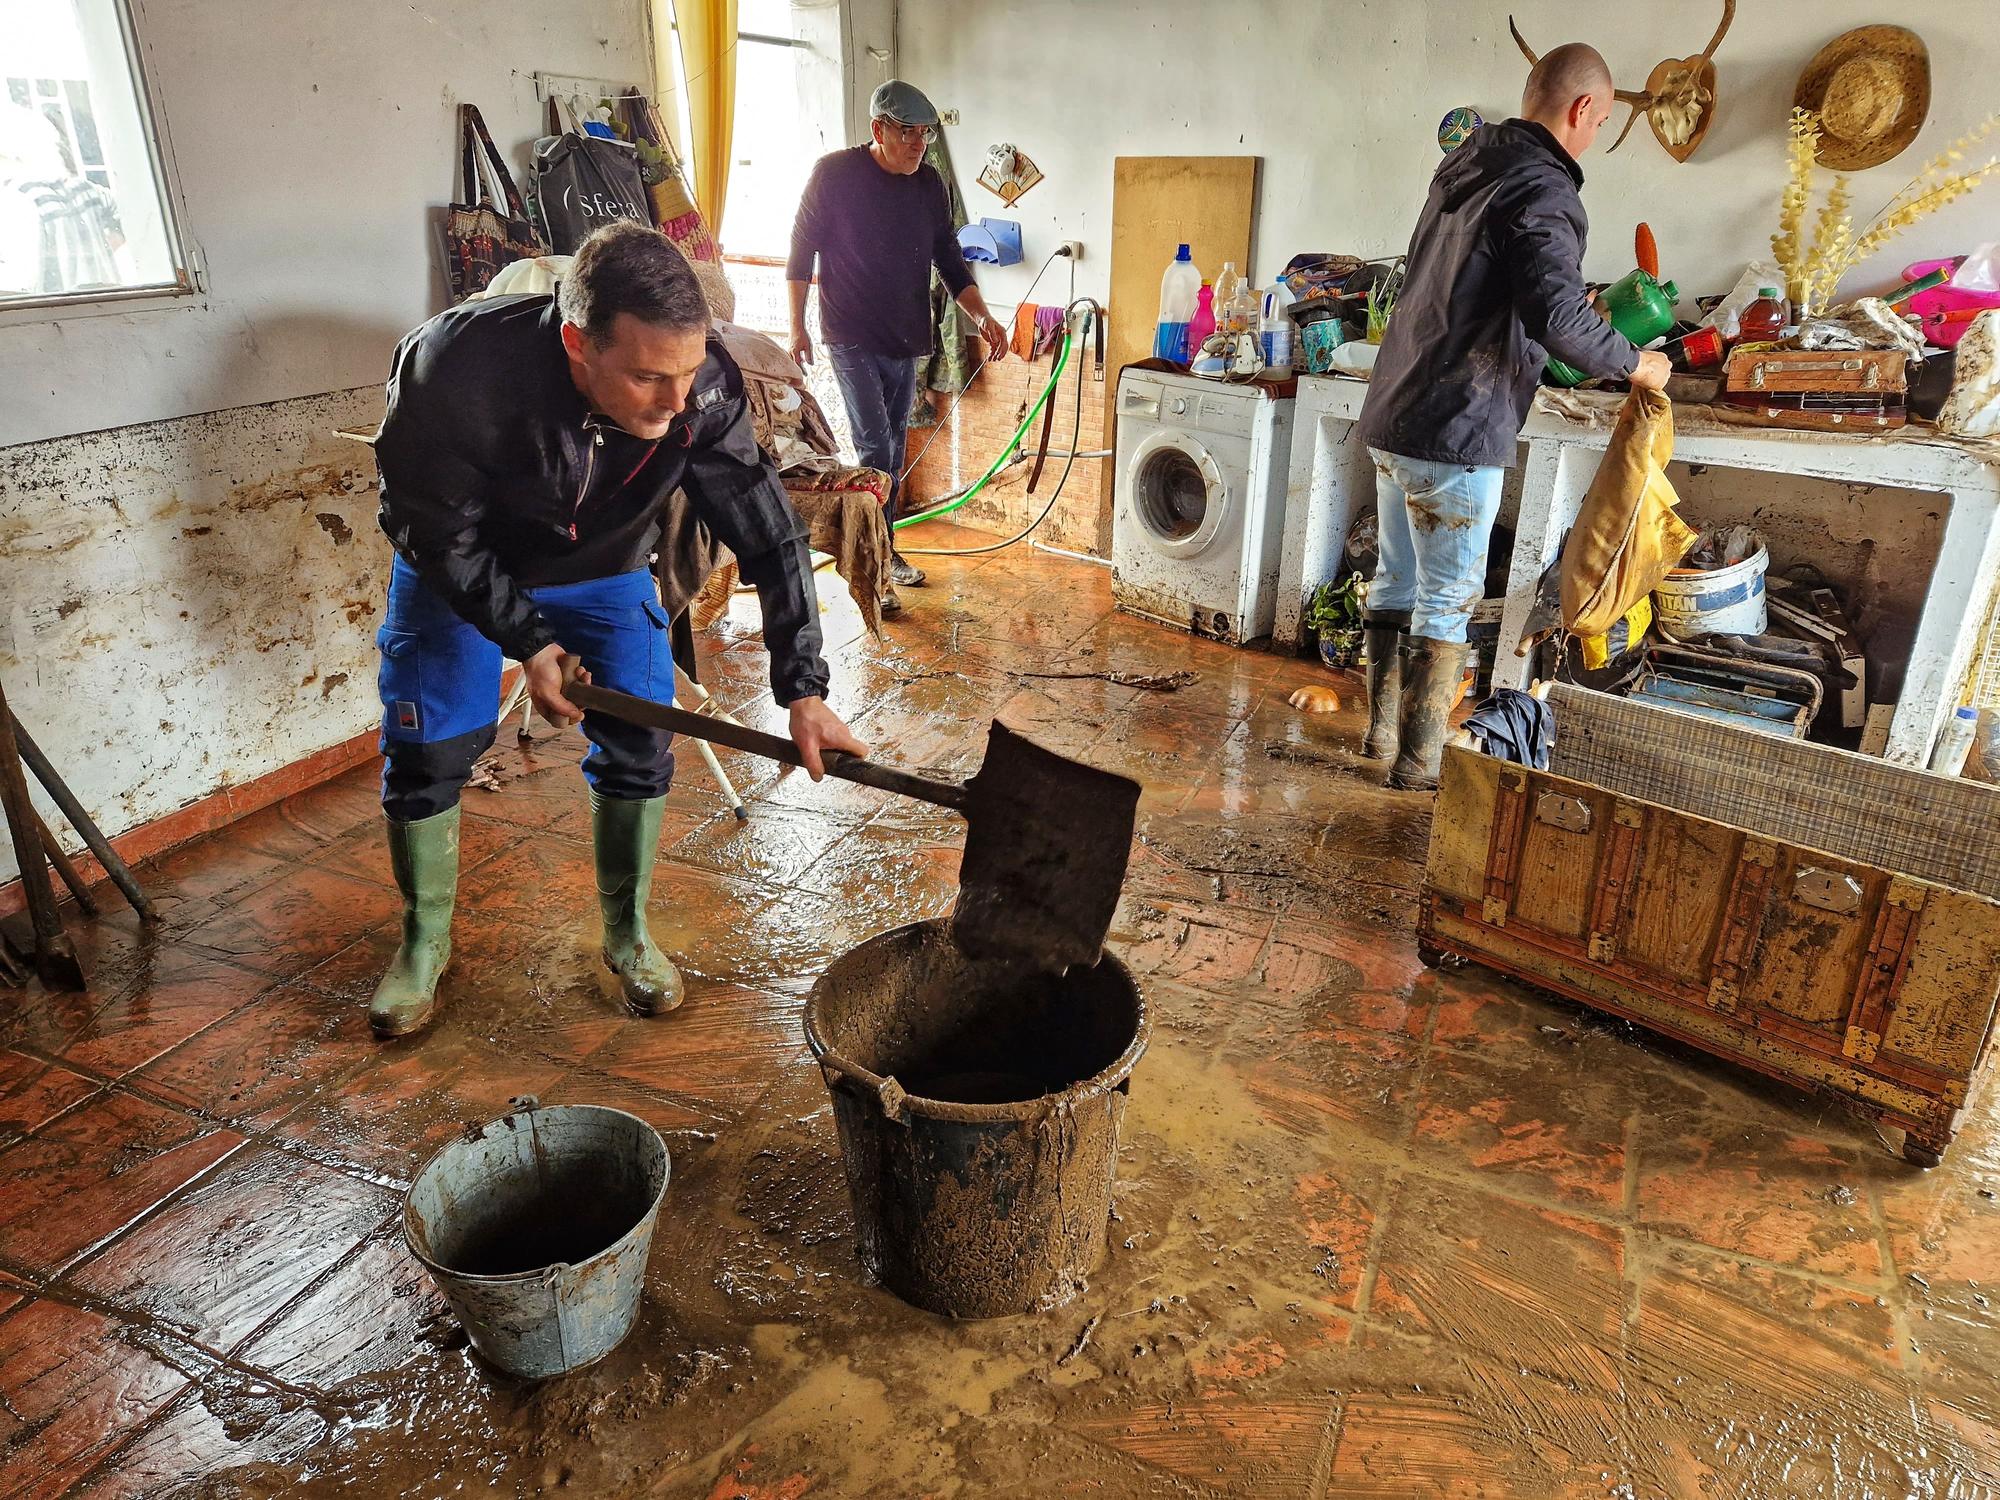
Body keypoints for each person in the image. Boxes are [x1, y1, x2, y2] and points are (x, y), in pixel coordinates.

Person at [368, 220, 866, 1038]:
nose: (677, 406)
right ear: (576, 343)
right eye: (645, 378)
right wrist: (527, 641)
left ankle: (628, 934)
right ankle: (423, 944)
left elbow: (768, 531)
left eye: (687, 372)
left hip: (601, 564)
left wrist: (804, 689)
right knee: (427, 750)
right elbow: (437, 533)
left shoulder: (699, 388)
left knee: (640, 742)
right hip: (458, 565)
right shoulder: (454, 369)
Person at [1355, 43, 1673, 791]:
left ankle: (1376, 734)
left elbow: (1492, 289)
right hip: (1458, 425)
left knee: (1396, 576)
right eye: (1597, 123)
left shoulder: (1465, 162)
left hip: (1397, 403)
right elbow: (1559, 317)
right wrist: (1637, 362)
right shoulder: (1546, 187)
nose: (1592, 136)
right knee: (1445, 597)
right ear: (1583, 109)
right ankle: (1417, 762)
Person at [786, 79, 1009, 594]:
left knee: (891, 449)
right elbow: (800, 254)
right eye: (908, 132)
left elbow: (950, 260)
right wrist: (797, 326)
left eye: (925, 133)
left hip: (906, 336)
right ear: (878, 129)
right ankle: (874, 567)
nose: (918, 143)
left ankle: (880, 548)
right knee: (872, 446)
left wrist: (983, 316)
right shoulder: (834, 175)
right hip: (849, 332)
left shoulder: (930, 185)